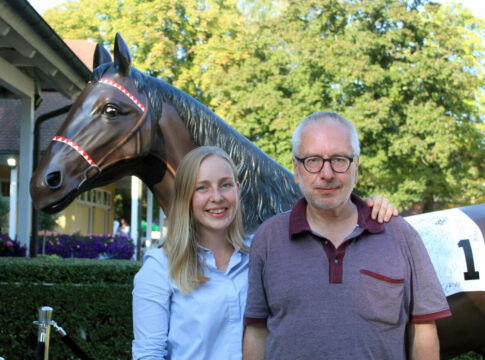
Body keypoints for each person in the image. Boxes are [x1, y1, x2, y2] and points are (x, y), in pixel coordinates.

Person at [132, 146, 397, 359]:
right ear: (186, 196)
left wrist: (367, 207)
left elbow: (322, 221)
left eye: (225, 185)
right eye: (202, 187)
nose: (217, 197)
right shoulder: (159, 269)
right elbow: (148, 355)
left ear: (237, 191)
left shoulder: (265, 251)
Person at [243, 112, 451, 360]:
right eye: (312, 160)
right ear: (297, 170)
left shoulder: (400, 235)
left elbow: (423, 328)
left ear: (356, 167)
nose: (327, 173)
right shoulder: (268, 238)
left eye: (339, 160)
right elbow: (257, 330)